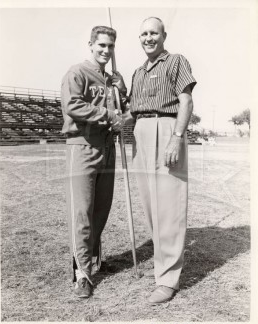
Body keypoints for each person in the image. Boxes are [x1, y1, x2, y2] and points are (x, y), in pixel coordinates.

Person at [125, 17, 197, 304]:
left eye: (153, 32)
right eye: (143, 33)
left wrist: (176, 137)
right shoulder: (137, 71)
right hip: (140, 132)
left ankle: (168, 279)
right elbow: (132, 111)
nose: (148, 38)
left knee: (169, 206)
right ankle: (162, 263)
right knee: (151, 206)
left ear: (163, 35)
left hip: (167, 128)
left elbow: (186, 101)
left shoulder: (176, 61)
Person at [61, 26, 126, 298]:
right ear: (90, 44)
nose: (106, 51)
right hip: (83, 148)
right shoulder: (77, 72)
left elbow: (123, 111)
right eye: (101, 45)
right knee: (82, 212)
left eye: (110, 46)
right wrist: (107, 115)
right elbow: (72, 105)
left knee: (101, 210)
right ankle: (82, 274)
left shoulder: (112, 79)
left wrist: (122, 91)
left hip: (107, 148)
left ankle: (94, 260)